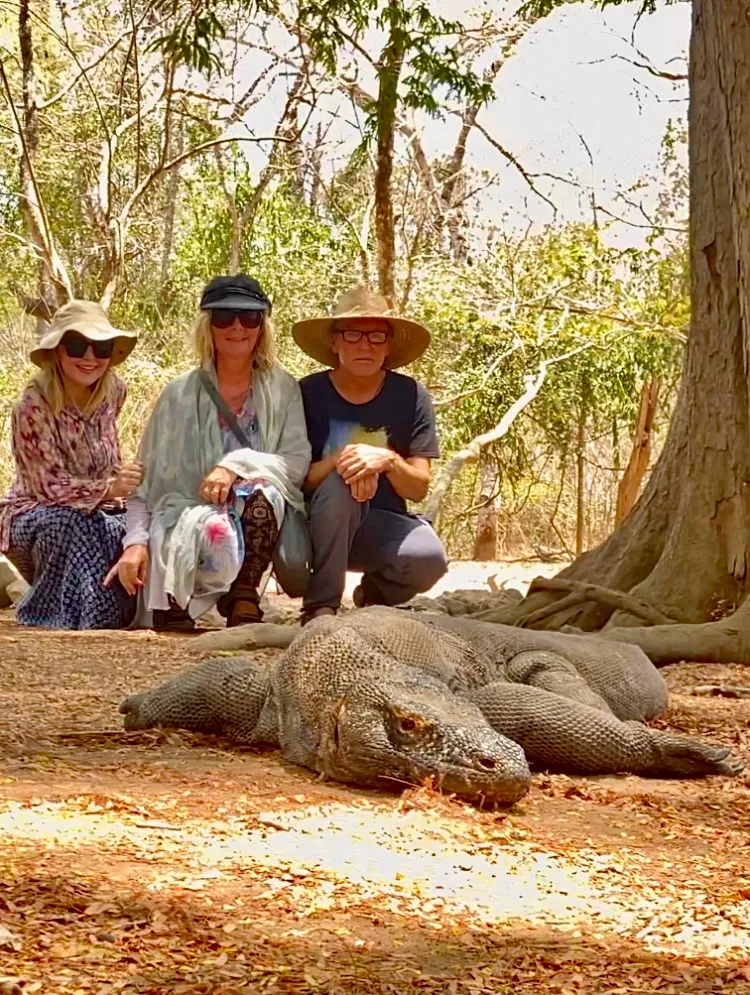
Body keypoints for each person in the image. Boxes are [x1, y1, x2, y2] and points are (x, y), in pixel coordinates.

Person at [108, 275, 310, 631]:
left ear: (262, 326)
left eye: (250, 317)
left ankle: (243, 596)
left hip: (251, 514)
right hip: (184, 518)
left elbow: (295, 463)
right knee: (186, 521)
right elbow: (145, 485)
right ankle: (175, 597)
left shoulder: (283, 389)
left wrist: (234, 465)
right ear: (208, 326)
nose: (237, 327)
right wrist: (135, 543)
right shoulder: (178, 394)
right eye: (224, 317)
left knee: (265, 491)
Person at [293, 286, 448, 624]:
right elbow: (297, 480)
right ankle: (321, 607)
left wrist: (387, 460)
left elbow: (418, 488)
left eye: (377, 336)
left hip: (379, 527)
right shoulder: (306, 393)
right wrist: (344, 461)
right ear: (334, 341)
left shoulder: (411, 396)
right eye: (352, 334)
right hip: (316, 526)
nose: (365, 345)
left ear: (388, 344)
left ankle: (375, 596)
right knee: (342, 483)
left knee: (429, 559)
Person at [0, 300, 141, 629]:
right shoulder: (33, 405)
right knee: (74, 524)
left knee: (141, 524)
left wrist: (128, 485)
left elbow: (109, 457)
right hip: (36, 513)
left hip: (102, 507)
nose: (90, 357)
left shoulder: (114, 391)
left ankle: (130, 609)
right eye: (77, 346)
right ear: (57, 351)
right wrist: (109, 489)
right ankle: (66, 613)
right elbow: (46, 487)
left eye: (101, 347)